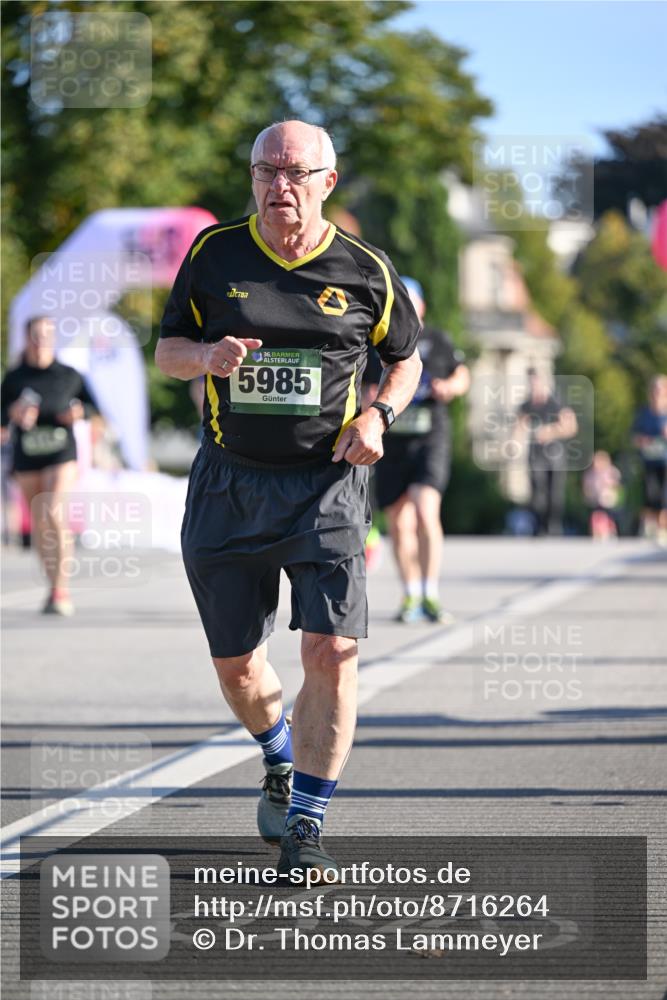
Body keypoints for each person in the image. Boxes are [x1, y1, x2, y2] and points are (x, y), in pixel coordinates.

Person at [155, 120, 422, 879]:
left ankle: (306, 823)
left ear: (326, 182)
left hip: (327, 485)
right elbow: (168, 350)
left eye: (295, 172)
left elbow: (404, 360)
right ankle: (276, 755)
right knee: (239, 669)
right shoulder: (214, 253)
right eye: (265, 170)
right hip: (228, 482)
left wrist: (379, 415)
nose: (279, 186)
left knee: (331, 651)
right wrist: (206, 355)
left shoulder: (366, 271)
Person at [364, 279, 469, 623]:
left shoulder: (438, 340)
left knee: (426, 511)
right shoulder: (377, 342)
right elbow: (364, 389)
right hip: (392, 440)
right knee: (398, 520)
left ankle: (431, 593)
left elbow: (461, 375)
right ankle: (411, 594)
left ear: (421, 305)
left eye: (412, 300)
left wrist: (448, 387)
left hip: (431, 437)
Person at [0, 315, 98, 615]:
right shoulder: (15, 378)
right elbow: (2, 422)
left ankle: (61, 589)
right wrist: (14, 415)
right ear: (27, 338)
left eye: (47, 334)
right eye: (36, 335)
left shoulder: (69, 375)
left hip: (60, 454)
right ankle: (52, 584)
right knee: (40, 521)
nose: (41, 340)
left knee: (53, 511)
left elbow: (94, 409)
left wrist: (78, 413)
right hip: (28, 456)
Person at [517, 369, 578, 536]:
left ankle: (553, 526)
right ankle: (539, 526)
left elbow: (571, 428)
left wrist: (550, 432)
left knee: (554, 493)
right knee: (537, 492)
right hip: (535, 455)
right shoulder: (526, 405)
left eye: (537, 382)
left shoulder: (557, 403)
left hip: (555, 455)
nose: (534, 386)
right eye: (531, 383)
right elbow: (519, 427)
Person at [632, 374, 667, 543]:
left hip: (665, 461)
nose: (657, 392)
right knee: (650, 494)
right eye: (655, 389)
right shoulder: (644, 413)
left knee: (663, 495)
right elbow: (634, 436)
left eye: (660, 389)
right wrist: (643, 440)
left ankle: (662, 529)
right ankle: (650, 527)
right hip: (649, 461)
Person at [582, 450, 622, 540]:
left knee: (609, 515)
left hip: (608, 499)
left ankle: (611, 530)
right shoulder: (590, 473)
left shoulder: (611, 471)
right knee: (596, 515)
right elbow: (586, 486)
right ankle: (597, 532)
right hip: (594, 499)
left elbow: (616, 485)